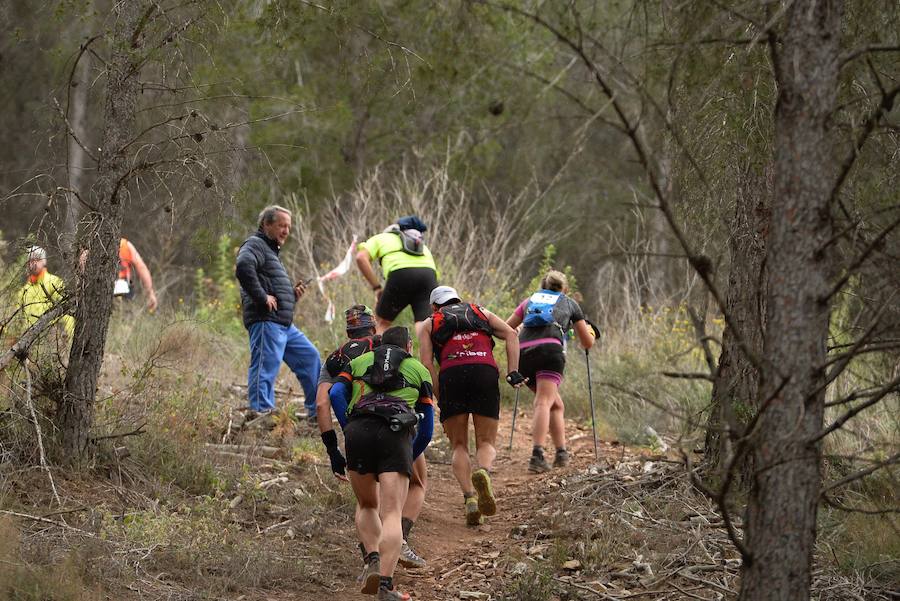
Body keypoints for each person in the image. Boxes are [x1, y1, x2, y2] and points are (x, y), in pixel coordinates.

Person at [315, 305, 427, 569]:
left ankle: (372, 558)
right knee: (417, 483)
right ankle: (400, 543)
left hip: (358, 431)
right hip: (397, 426)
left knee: (367, 501)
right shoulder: (386, 344)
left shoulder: (335, 358)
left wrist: (339, 440)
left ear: (347, 329)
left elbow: (322, 403)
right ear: (373, 326)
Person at [418, 286, 526, 526]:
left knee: (458, 445)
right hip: (484, 371)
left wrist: (438, 395)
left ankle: (470, 499)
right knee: (486, 442)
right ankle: (484, 473)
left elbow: (426, 363)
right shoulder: (480, 311)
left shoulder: (429, 323)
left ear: (435, 306)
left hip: (451, 375)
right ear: (458, 299)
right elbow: (511, 334)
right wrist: (513, 372)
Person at [235, 205, 321, 420]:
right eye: (281, 225)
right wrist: (262, 298)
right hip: (266, 321)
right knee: (265, 367)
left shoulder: (271, 251)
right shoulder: (255, 244)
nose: (286, 231)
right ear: (266, 224)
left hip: (283, 324)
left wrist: (292, 295)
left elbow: (270, 285)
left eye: (288, 227)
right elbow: (243, 266)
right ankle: (261, 413)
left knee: (310, 357)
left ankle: (316, 411)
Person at [506, 270, 594, 473]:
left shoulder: (529, 301)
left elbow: (507, 329)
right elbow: (586, 342)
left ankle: (561, 453)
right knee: (544, 401)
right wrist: (590, 332)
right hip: (550, 352)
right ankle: (537, 455)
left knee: (555, 403)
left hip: (523, 354)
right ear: (565, 288)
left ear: (541, 286)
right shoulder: (570, 303)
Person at [355, 216, 438, 335]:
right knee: (425, 324)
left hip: (401, 274)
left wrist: (377, 287)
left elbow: (360, 258)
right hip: (428, 275)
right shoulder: (421, 245)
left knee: (382, 323)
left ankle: (375, 352)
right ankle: (428, 353)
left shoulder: (381, 238)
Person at [18, 245, 75, 338]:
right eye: (31, 261)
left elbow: (66, 312)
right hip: (28, 339)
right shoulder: (23, 290)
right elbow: (18, 321)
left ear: (44, 261)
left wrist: (70, 336)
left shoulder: (55, 282)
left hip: (51, 335)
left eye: (37, 259)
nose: (34, 263)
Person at [115, 238, 158, 311]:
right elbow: (141, 267)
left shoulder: (94, 243)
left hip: (102, 287)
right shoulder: (124, 244)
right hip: (123, 286)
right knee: (125, 318)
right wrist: (150, 293)